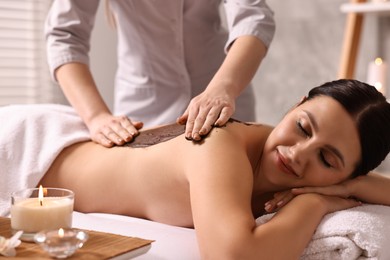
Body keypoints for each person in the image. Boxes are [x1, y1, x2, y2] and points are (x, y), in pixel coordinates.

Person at [35, 79, 390, 259]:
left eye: (327, 160)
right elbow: (233, 256)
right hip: (35, 157)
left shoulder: (332, 177)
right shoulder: (219, 145)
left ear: (349, 175)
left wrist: (345, 189)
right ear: (296, 105)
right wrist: (316, 203)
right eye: (302, 127)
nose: (298, 154)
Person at [44, 0, 276, 147]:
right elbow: (64, 36)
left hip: (224, 92)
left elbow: (253, 16)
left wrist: (223, 88)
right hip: (144, 111)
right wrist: (96, 116)